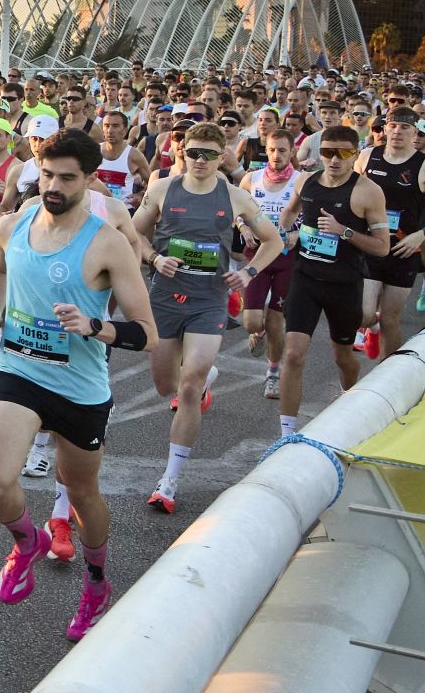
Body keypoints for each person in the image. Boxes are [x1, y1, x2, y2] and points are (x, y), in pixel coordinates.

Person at [0, 129, 157, 639]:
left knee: (81, 493)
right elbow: (1, 268)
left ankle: (96, 581)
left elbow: (147, 334)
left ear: (91, 181)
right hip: (19, 371)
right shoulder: (13, 223)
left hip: (79, 386)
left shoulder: (108, 244)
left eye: (67, 178)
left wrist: (96, 326)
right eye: (47, 174)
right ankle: (26, 540)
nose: (53, 185)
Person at [130, 121, 282, 513]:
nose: (199, 161)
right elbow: (133, 234)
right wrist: (154, 257)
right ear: (182, 151)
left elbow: (274, 241)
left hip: (208, 300)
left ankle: (169, 482)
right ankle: (203, 379)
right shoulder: (163, 188)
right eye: (193, 153)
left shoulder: (235, 197)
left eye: (209, 155)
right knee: (166, 386)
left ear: (222, 155)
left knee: (189, 385)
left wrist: (247, 273)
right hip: (164, 298)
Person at [276, 124, 390, 437]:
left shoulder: (367, 191)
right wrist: (287, 232)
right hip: (306, 278)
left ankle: (350, 405)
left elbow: (382, 247)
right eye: (328, 152)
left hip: (343, 282)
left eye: (343, 153)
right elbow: (288, 214)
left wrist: (345, 231)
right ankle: (288, 434)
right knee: (294, 354)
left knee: (343, 357)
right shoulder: (307, 181)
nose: (334, 159)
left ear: (356, 154)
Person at [356, 110, 425, 359]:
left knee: (391, 318)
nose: (398, 131)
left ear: (415, 132)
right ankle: (372, 328)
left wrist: (422, 235)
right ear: (384, 129)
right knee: (365, 314)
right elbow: (352, 193)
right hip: (370, 247)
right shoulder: (368, 156)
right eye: (393, 126)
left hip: (404, 249)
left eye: (405, 127)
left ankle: (388, 375)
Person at [240, 130, 299, 400]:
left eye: (282, 151)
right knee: (251, 321)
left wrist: (297, 234)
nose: (276, 156)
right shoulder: (251, 179)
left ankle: (273, 374)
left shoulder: (301, 181)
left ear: (292, 152)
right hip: (258, 255)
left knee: (276, 323)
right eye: (273, 150)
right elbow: (236, 210)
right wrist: (242, 227)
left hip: (287, 259)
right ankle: (257, 331)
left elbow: (310, 220)